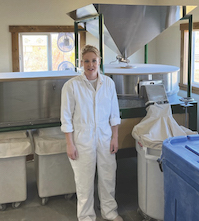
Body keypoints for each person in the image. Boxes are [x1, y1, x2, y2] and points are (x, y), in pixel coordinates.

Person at [60, 45, 123, 221]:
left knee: (108, 176)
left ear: (99, 61)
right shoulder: (71, 86)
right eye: (86, 61)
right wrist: (70, 144)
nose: (90, 65)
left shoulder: (108, 83)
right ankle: (86, 216)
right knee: (84, 181)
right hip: (82, 139)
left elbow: (114, 114)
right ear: (81, 63)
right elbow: (66, 118)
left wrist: (115, 138)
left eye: (94, 60)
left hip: (105, 137)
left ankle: (109, 211)